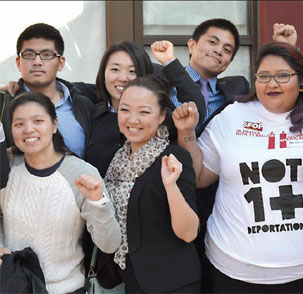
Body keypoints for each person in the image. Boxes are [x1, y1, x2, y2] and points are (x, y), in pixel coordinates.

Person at [173, 41, 303, 293]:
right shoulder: (232, 116)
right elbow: (200, 177)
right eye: (264, 76)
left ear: (301, 82)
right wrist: (187, 133)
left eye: (282, 76)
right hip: (232, 267)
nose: (272, 84)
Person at [0, 92, 120, 293]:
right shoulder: (7, 170)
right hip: (14, 287)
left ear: (55, 124)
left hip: (66, 289)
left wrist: (99, 203)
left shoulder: (82, 173)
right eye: (19, 124)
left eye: (38, 121)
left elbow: (109, 244)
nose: (28, 129)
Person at [96, 76, 201, 293]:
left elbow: (189, 232)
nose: (132, 119)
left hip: (173, 283)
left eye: (144, 112)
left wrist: (171, 186)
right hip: (132, 281)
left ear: (162, 116)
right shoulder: (115, 160)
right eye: (125, 110)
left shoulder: (173, 158)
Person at [84, 40, 205, 178]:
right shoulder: (92, 113)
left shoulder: (160, 117)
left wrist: (169, 62)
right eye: (115, 70)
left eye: (132, 71)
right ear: (103, 75)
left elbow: (196, 109)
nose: (123, 78)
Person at [1, 23, 94, 158]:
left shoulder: (82, 102)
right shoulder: (4, 105)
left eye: (46, 54)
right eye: (29, 54)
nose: (37, 61)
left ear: (61, 63)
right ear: (18, 62)